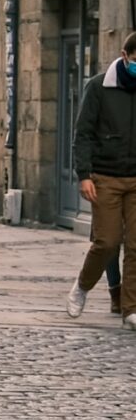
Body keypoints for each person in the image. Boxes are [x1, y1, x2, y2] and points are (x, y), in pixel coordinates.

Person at [67, 31, 136, 328]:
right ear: (125, 56)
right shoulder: (99, 86)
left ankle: (130, 308)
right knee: (107, 241)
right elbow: (83, 133)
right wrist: (84, 175)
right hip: (106, 176)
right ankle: (82, 286)